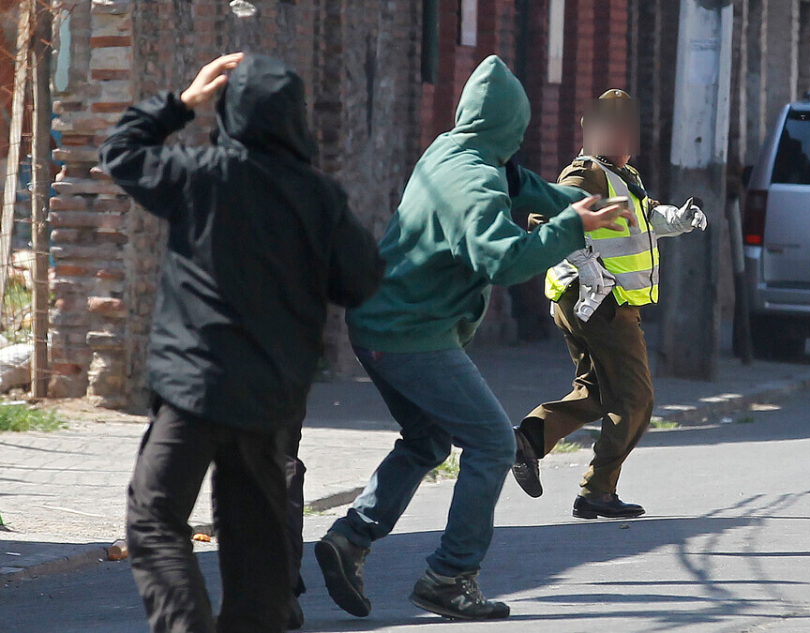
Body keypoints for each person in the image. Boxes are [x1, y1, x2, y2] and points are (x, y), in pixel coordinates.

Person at [313, 55, 631, 622]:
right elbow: (504, 261)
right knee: (491, 443)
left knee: (427, 439)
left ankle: (351, 538)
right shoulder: (475, 183)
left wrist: (576, 205)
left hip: (379, 324)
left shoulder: (451, 150)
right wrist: (571, 227)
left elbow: (521, 184)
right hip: (414, 334)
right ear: (512, 131)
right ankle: (450, 576)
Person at [101, 53, 383, 633]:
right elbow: (361, 281)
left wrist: (181, 104)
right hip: (269, 398)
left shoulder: (199, 176)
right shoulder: (319, 198)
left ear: (228, 112)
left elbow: (121, 152)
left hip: (195, 389)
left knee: (155, 520)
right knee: (255, 544)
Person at [511, 89, 707, 520]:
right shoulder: (587, 174)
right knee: (636, 398)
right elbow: (544, 217)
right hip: (601, 302)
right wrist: (584, 264)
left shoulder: (622, 175)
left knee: (598, 392)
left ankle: (528, 438)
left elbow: (646, 215)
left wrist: (678, 219)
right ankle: (598, 490)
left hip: (592, 301)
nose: (621, 138)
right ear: (592, 131)